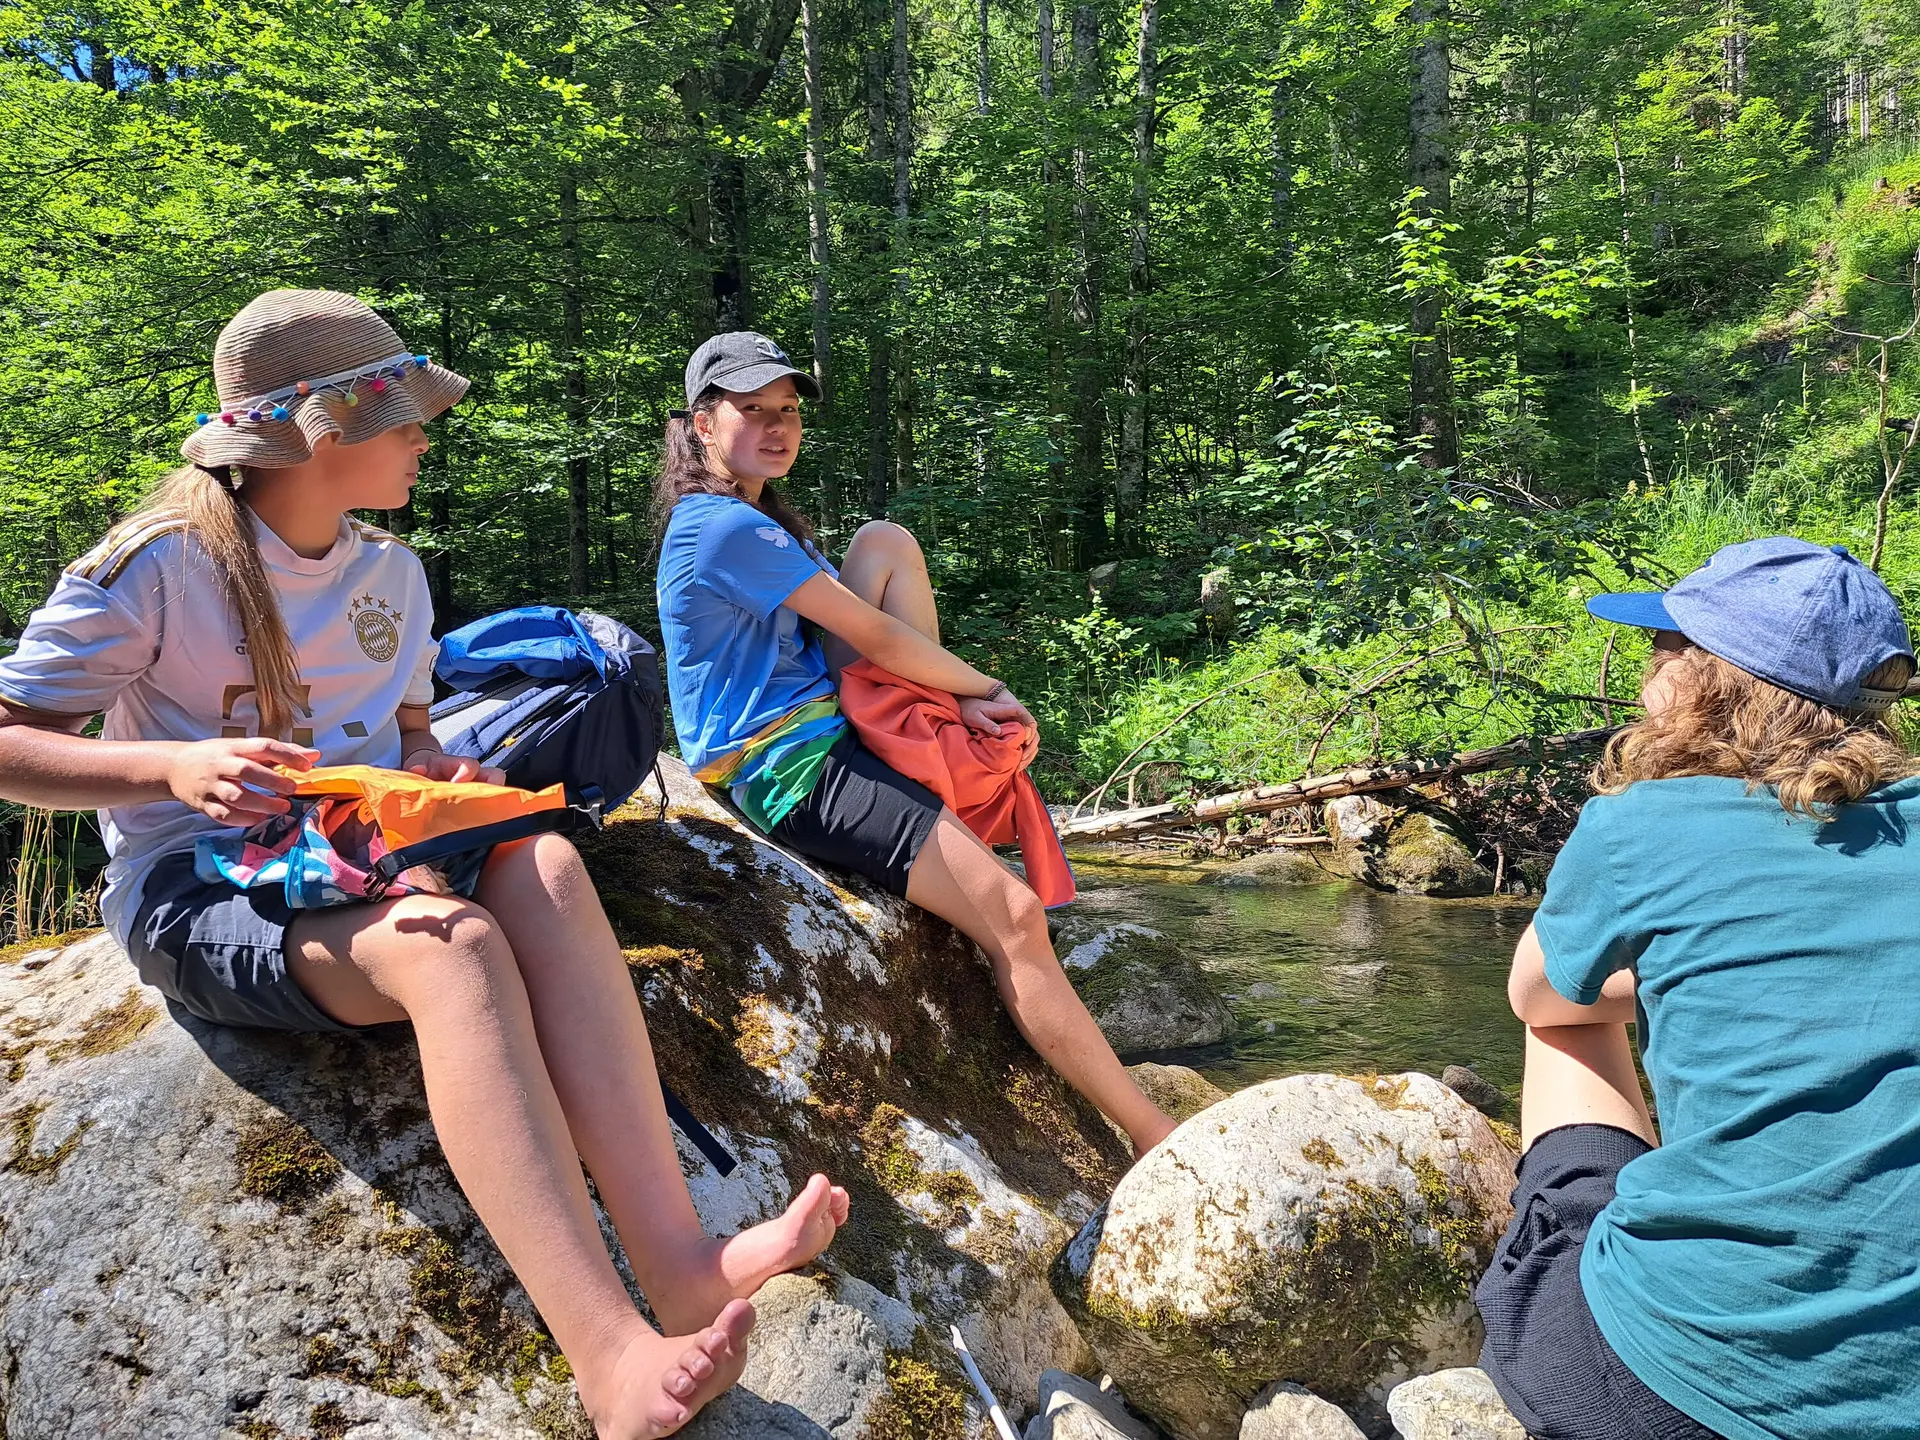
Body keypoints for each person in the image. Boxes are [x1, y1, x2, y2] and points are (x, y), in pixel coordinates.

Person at [0, 291, 848, 1440]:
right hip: (197, 885)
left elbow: (405, 743)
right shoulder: (159, 569)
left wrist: (448, 783)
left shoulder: (389, 575)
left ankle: (687, 1267)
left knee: (545, 865)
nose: (425, 436)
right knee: (454, 956)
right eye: (404, 416)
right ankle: (608, 1357)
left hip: (360, 854)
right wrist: (170, 768)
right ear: (321, 435)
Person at [653, 332, 1177, 1158]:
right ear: (700, 423)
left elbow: (855, 634)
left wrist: (951, 700)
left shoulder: (758, 522)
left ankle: (929, 729)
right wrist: (985, 692)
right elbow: (871, 636)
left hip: (822, 727)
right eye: (752, 409)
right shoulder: (721, 528)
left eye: (787, 410)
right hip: (788, 767)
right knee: (1011, 915)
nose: (777, 425)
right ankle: (1153, 1134)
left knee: (885, 541)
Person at [1476, 536, 1920, 1440]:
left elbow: (1539, 995)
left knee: (1567, 1015)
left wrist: (1678, 972)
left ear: (1706, 677)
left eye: (1662, 645)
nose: (1647, 666)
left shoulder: (1639, 824)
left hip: (1681, 1388)